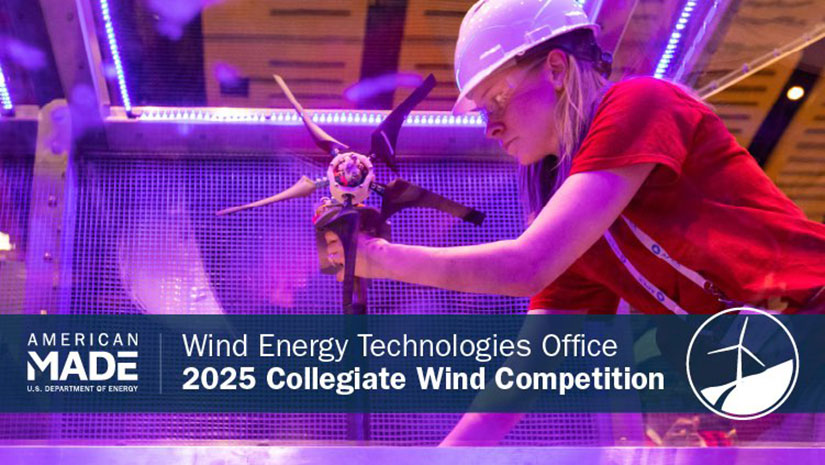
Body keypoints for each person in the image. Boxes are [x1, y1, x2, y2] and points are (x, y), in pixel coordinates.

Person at [323, 0, 825, 445]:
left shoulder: (640, 104)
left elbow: (527, 265)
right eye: (480, 112)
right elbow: (528, 370)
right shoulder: (582, 232)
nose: (490, 125)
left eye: (496, 99)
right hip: (768, 383)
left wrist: (374, 257)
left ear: (558, 69)